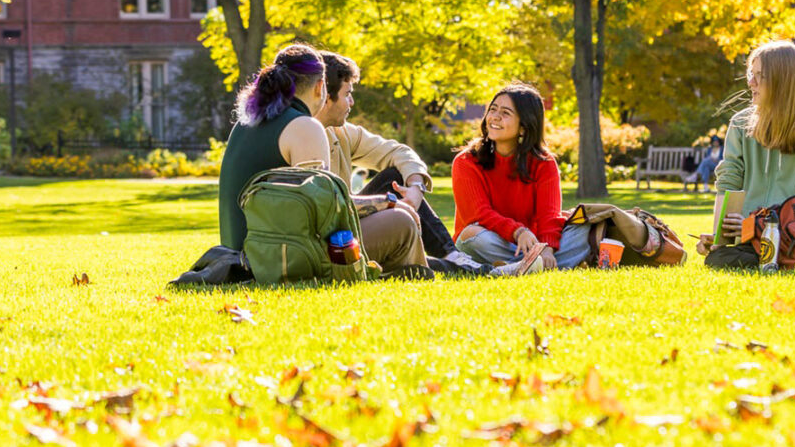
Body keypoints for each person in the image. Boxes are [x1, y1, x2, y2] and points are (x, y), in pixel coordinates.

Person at [217, 44, 432, 278]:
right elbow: (328, 214)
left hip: (243, 254)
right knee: (402, 221)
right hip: (281, 258)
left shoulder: (246, 123)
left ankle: (397, 276)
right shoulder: (305, 127)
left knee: (397, 215)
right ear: (320, 87)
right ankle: (413, 277)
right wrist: (388, 201)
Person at [317, 52, 490, 275]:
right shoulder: (301, 137)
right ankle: (469, 268)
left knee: (393, 178)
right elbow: (326, 205)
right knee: (415, 255)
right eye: (347, 94)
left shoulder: (340, 132)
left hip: (346, 225)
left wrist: (416, 187)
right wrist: (388, 202)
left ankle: (453, 255)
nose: (352, 102)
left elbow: (398, 151)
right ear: (324, 96)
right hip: (330, 240)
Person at [697, 41, 795, 268]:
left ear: (784, 82)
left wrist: (755, 227)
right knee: (718, 259)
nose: (750, 82)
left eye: (760, 76)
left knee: (729, 261)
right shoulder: (740, 125)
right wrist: (719, 240)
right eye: (751, 74)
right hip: (751, 240)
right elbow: (729, 182)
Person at [451, 82, 592, 274]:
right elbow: (479, 214)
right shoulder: (466, 161)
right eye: (493, 110)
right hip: (491, 241)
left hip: (532, 243)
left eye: (506, 113)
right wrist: (519, 232)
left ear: (524, 127)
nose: (495, 117)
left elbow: (549, 215)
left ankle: (523, 265)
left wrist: (548, 248)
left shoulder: (544, 162)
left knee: (583, 229)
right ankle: (537, 265)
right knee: (471, 236)